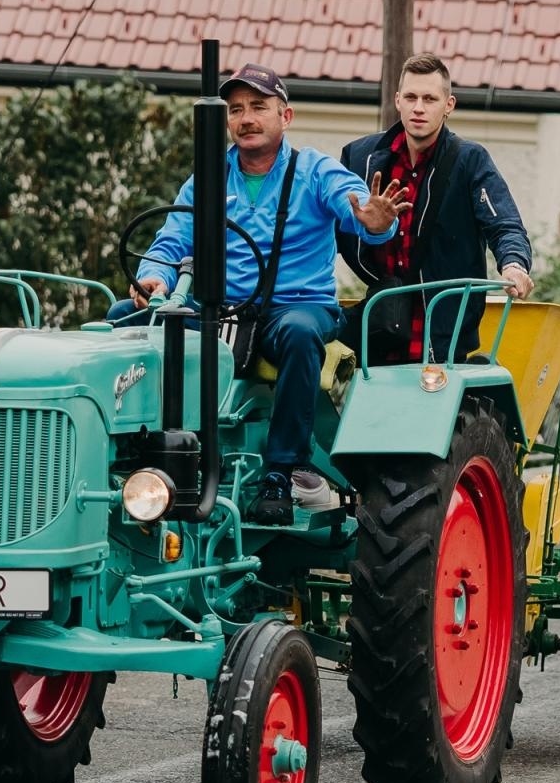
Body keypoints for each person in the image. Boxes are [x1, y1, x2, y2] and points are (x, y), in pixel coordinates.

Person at [110, 61, 410, 524]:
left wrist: (373, 221)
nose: (246, 118)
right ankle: (134, 457)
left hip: (294, 307)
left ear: (285, 116)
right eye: (235, 110)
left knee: (299, 332)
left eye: (258, 107)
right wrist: (155, 278)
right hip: (222, 310)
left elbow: (356, 205)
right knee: (123, 319)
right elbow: (172, 241)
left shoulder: (314, 170)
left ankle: (282, 473)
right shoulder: (209, 178)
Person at [338, 53, 535, 366]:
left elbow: (505, 225)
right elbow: (324, 228)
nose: (419, 107)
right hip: (382, 321)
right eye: (411, 97)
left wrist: (514, 265)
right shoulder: (361, 157)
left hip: (445, 327)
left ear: (449, 105)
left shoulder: (470, 160)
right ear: (397, 100)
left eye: (429, 99)